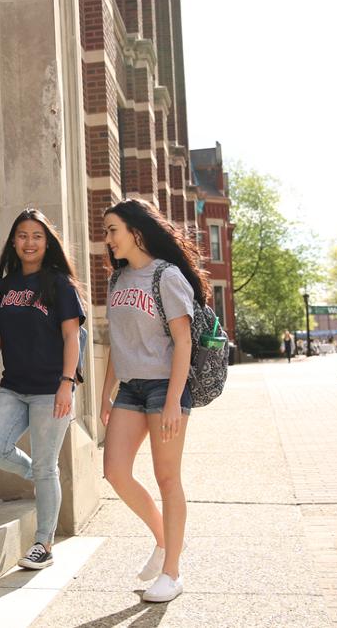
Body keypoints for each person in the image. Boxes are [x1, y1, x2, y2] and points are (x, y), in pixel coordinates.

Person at [99, 199, 213, 603]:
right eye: (106, 230)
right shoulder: (117, 281)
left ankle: (172, 573)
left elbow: (183, 341)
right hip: (130, 388)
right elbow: (118, 341)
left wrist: (173, 402)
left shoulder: (166, 276)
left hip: (166, 386)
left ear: (136, 231)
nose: (107, 238)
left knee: (167, 478)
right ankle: (165, 540)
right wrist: (105, 392)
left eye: (113, 229)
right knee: (114, 471)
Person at [0, 209, 86, 571]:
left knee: (46, 464)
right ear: (13, 242)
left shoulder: (59, 284)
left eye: (36, 235)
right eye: (22, 235)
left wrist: (67, 384)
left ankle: (44, 543)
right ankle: (40, 476)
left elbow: (72, 336)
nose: (29, 242)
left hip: (51, 390)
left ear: (46, 242)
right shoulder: (5, 286)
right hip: (13, 386)